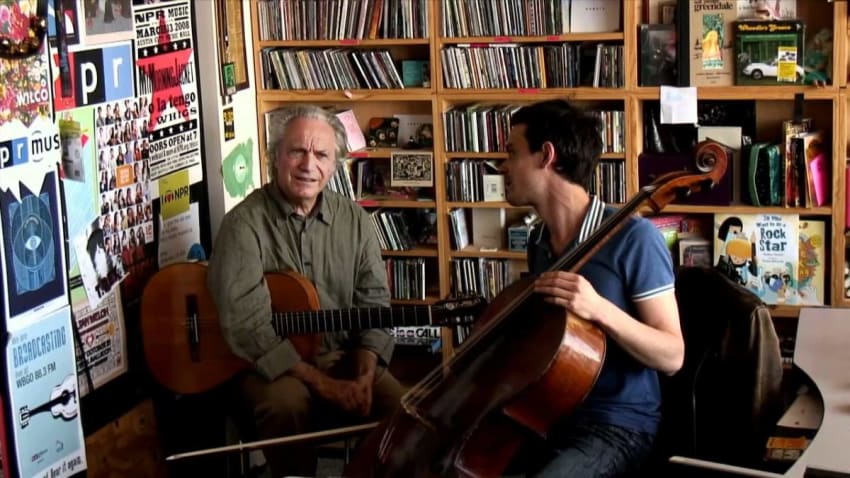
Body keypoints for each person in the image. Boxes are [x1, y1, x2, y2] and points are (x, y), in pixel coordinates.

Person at [207, 104, 405, 477]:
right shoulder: (243, 225)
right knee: (285, 406)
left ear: (335, 165)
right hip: (269, 367)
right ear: (275, 157)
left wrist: (364, 375)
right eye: (297, 151)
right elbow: (248, 329)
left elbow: (374, 304)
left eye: (321, 155)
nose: (308, 164)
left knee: (402, 412)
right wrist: (324, 385)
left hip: (343, 356)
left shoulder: (355, 220)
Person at [499, 99, 684, 477]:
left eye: (512, 152)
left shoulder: (634, 238)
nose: (503, 166)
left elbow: (672, 355)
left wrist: (599, 308)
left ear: (546, 156)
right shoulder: (538, 241)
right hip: (548, 412)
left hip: (617, 425)